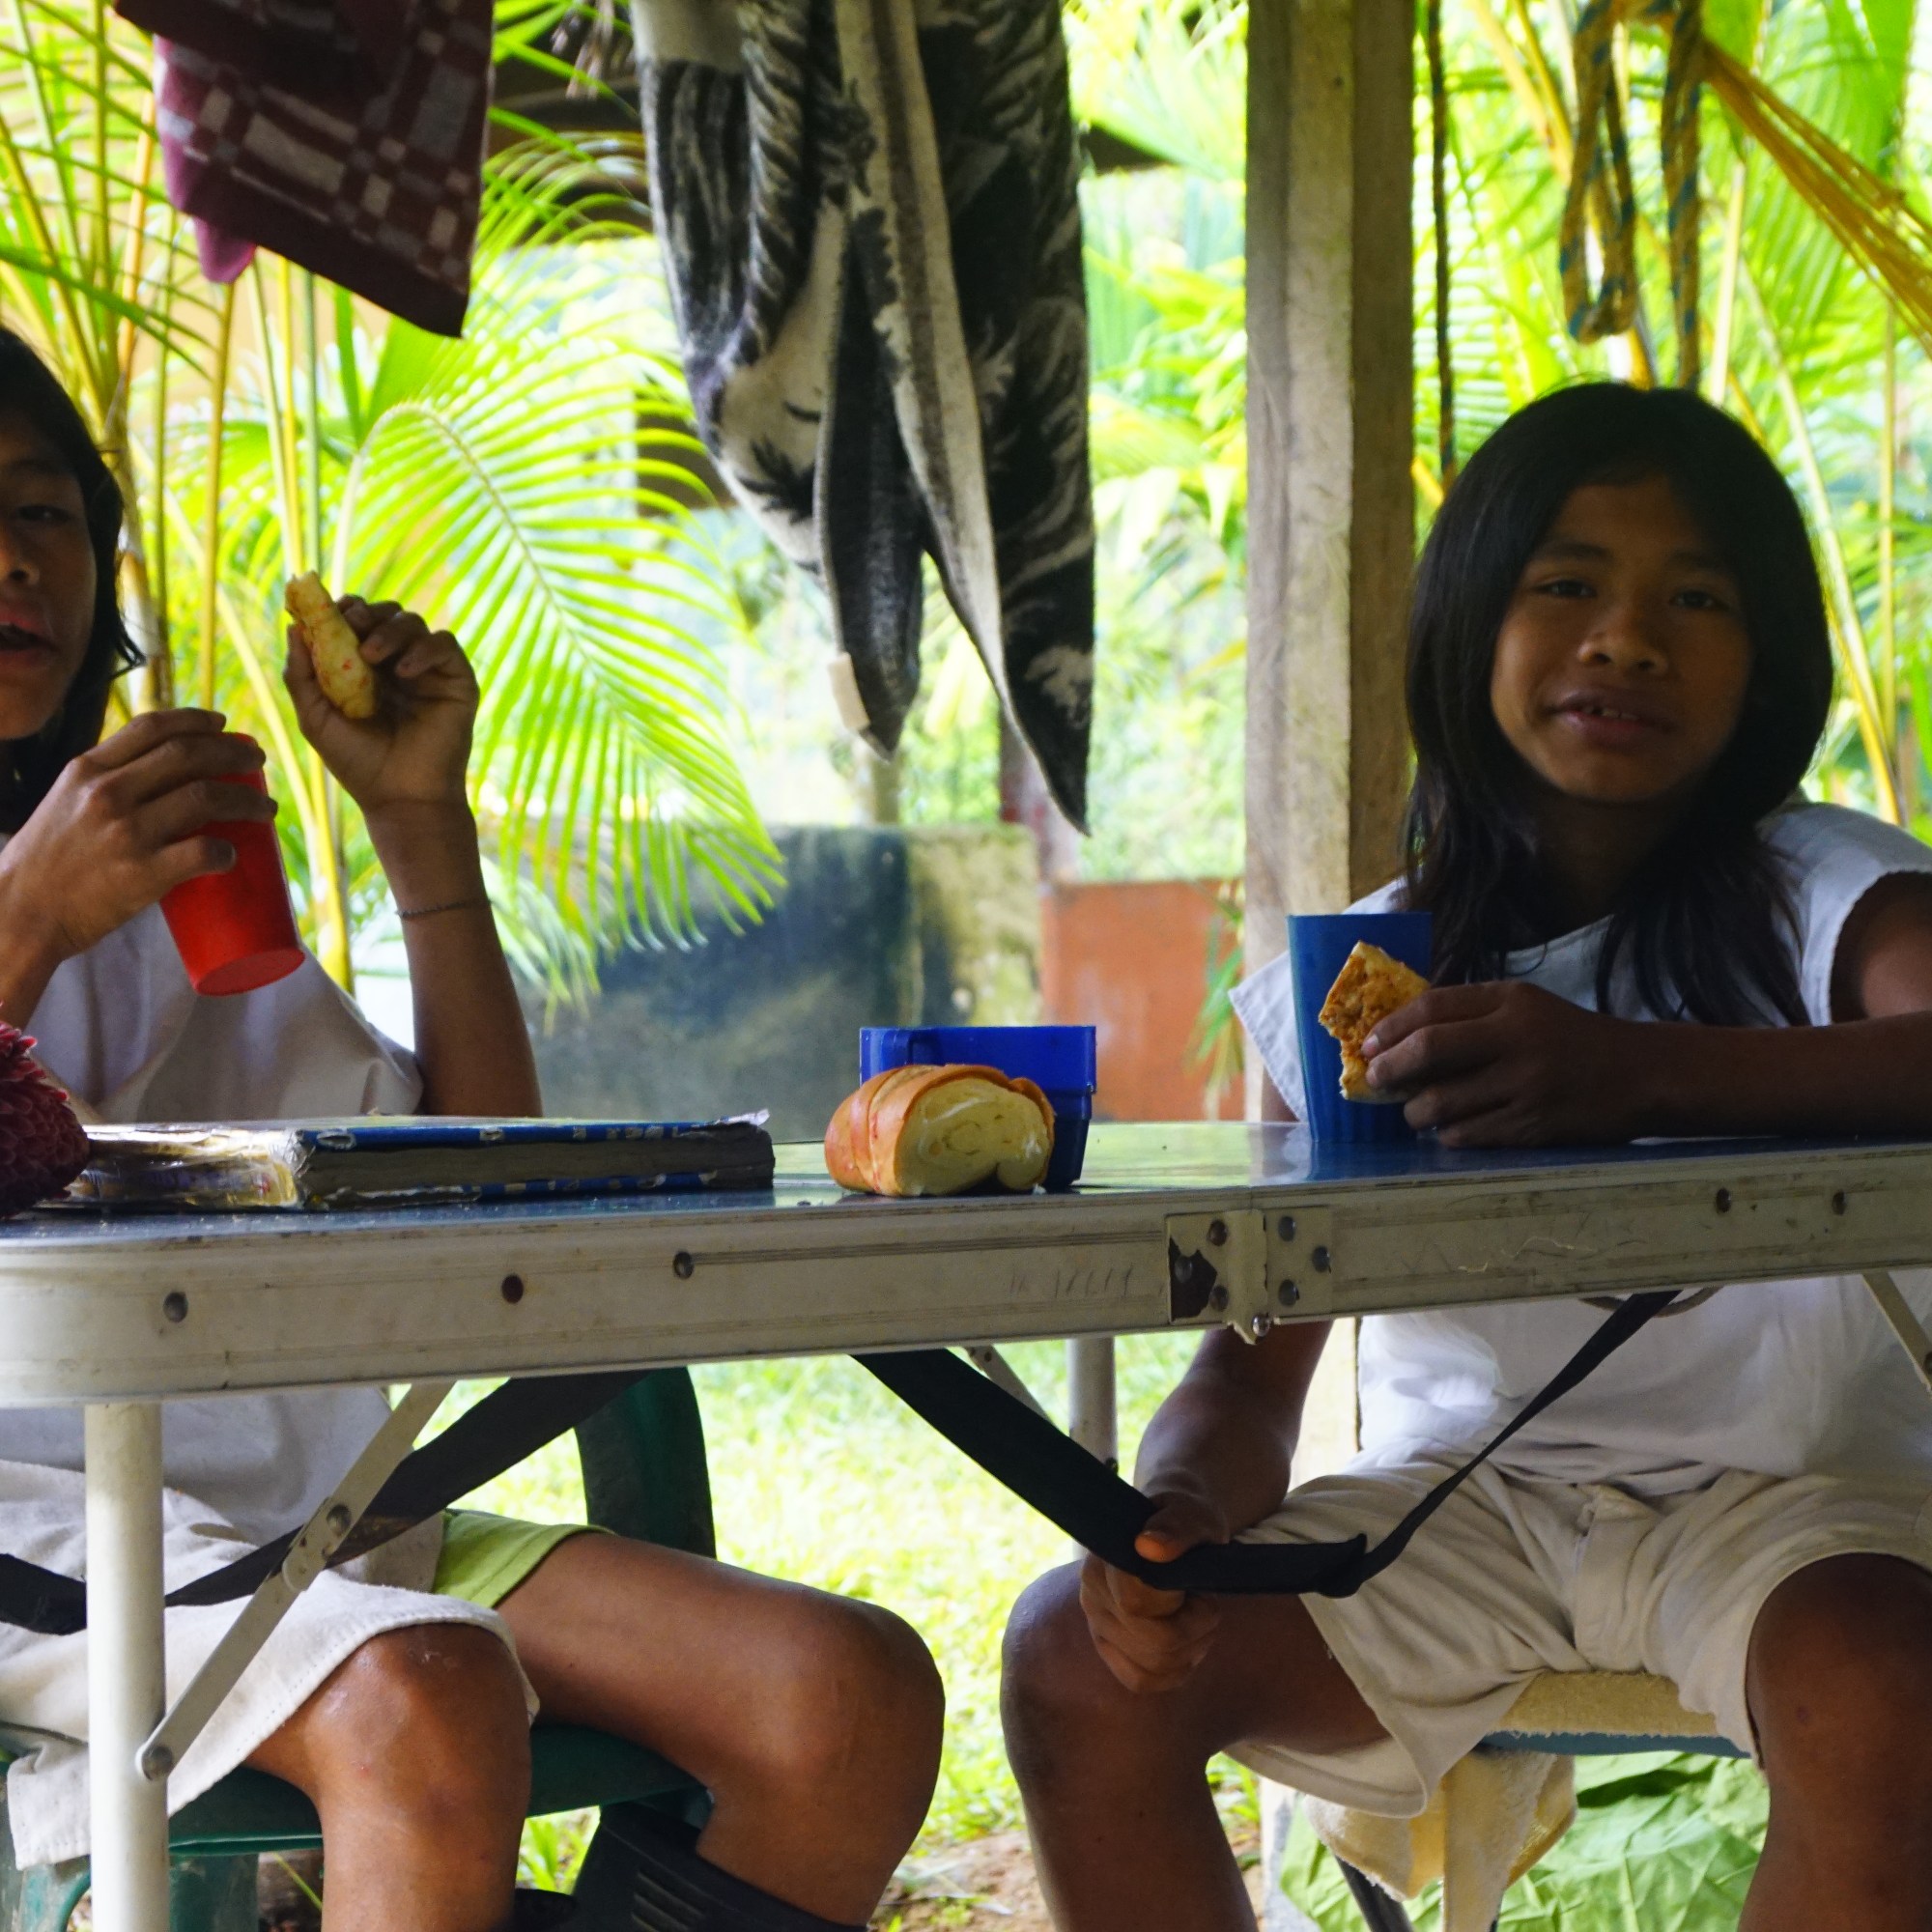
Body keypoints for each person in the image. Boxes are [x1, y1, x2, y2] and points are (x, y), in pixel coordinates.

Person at [0, 328, 942, 1932]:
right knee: (423, 1705)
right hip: (42, 1534)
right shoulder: (72, 875)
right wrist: (25, 921)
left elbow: (462, 1174)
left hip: (316, 1519)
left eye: (46, 511)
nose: (20, 558)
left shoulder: (162, 866)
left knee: (842, 1701)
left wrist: (419, 818)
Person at [1002, 383, 1932, 1932]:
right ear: (1466, 624)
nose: (1626, 640)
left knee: (1882, 1687)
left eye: (1697, 600)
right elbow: (1256, 1373)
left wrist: (1636, 1074)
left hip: (1797, 1501)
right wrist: (1179, 1510)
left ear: (1767, 661)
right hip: (1467, 1508)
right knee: (1076, 1663)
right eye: (1565, 582)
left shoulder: (1829, 891)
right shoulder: (1366, 977)